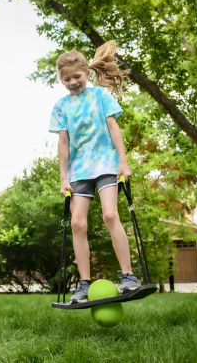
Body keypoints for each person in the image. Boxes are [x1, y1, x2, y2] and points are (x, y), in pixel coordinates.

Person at [49, 41, 141, 304]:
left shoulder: (100, 96)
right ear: (62, 80)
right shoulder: (60, 107)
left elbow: (114, 129)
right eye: (67, 79)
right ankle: (84, 284)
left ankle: (128, 276)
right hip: (78, 171)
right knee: (77, 223)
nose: (72, 82)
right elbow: (63, 143)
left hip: (106, 164)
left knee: (110, 215)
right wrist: (63, 178)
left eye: (76, 76)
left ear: (87, 74)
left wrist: (123, 162)